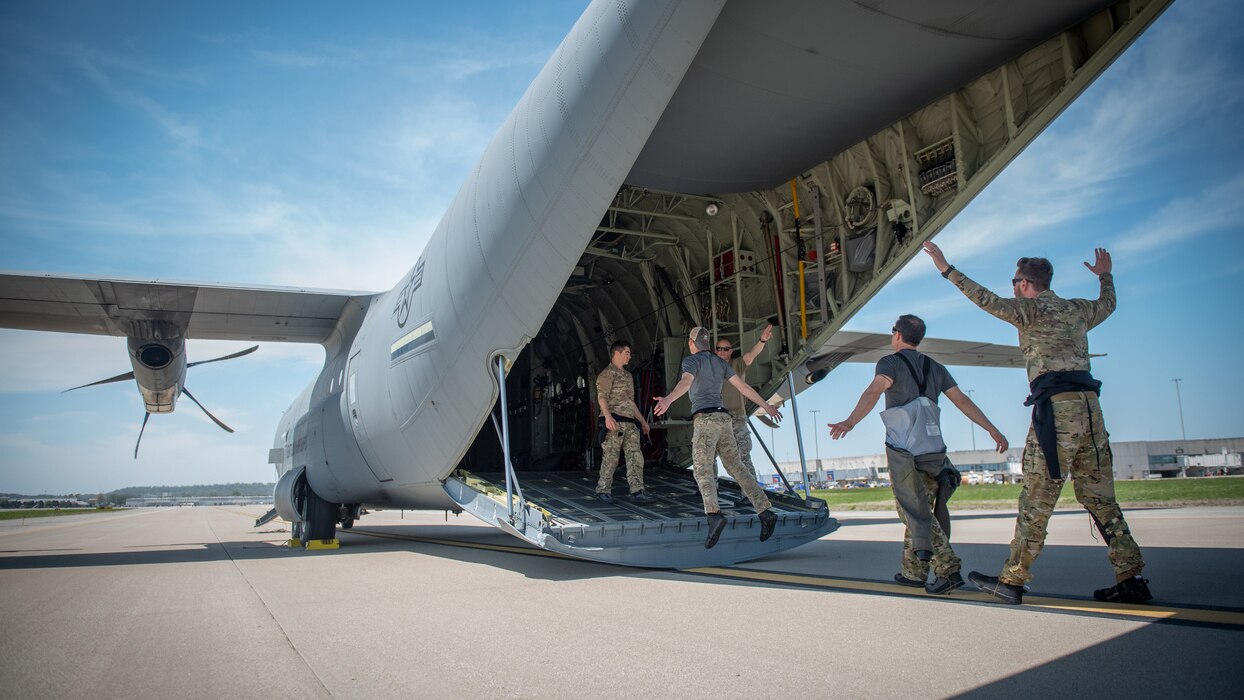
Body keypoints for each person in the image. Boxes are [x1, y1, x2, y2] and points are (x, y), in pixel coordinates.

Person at [923, 241, 1150, 605]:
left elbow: (983, 299)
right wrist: (1105, 276)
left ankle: (1013, 580)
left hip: (1058, 413)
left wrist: (946, 269)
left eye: (1015, 283)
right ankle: (1131, 576)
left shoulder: (1028, 311)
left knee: (1037, 497)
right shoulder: (1077, 310)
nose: (1013, 289)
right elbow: (1109, 304)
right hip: (1091, 412)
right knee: (1102, 500)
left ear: (1024, 284)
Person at [828, 314, 1008, 595]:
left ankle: (948, 569)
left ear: (896, 334)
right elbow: (961, 400)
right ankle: (914, 572)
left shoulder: (890, 362)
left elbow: (875, 389)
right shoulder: (936, 367)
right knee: (923, 505)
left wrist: (850, 421)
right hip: (934, 449)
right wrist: (992, 429)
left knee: (913, 510)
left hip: (905, 450)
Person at [653, 327, 783, 548]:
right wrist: (767, 406)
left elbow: (685, 383)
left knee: (703, 468)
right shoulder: (721, 363)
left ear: (692, 343)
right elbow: (743, 388)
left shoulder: (691, 362)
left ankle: (714, 515)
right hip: (725, 421)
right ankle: (765, 510)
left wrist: (668, 399)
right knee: (737, 468)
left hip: (706, 421)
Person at [717, 323, 774, 507]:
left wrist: (762, 340)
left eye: (726, 349)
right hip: (718, 419)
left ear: (731, 351)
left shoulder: (737, 365)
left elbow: (752, 354)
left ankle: (750, 495)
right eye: (719, 349)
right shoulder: (711, 368)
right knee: (711, 455)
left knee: (743, 457)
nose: (722, 352)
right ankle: (710, 488)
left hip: (737, 418)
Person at [594, 340, 654, 504]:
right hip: (614, 422)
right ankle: (603, 490)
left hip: (629, 423)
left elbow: (630, 402)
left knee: (635, 457)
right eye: (627, 353)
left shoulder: (628, 376)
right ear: (617, 353)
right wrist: (607, 417)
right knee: (611, 457)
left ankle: (637, 491)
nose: (630, 356)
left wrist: (642, 422)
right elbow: (602, 397)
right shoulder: (606, 374)